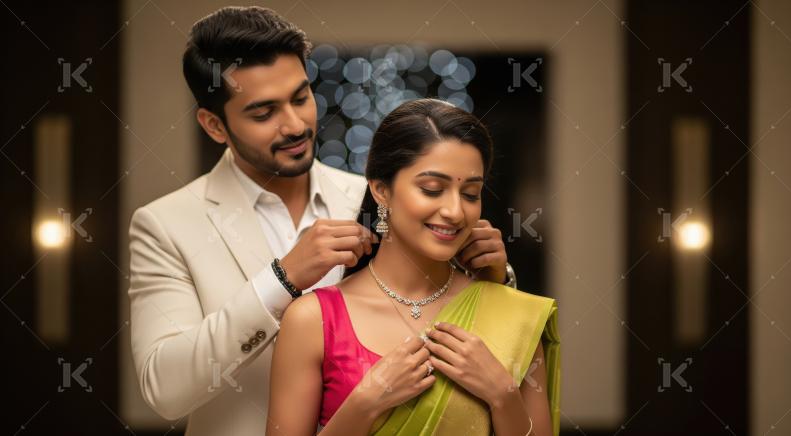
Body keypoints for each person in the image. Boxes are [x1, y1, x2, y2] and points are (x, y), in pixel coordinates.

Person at [128, 7, 515, 436]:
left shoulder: (381, 199)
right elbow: (165, 390)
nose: (295, 124)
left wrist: (496, 278)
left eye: (300, 97)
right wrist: (281, 280)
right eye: (263, 113)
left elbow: (449, 307)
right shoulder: (165, 224)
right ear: (215, 125)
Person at [268, 99, 560, 436]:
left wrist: (502, 394)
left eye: (470, 194)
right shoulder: (312, 320)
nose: (454, 211)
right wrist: (366, 402)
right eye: (432, 189)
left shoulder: (510, 314)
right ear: (381, 190)